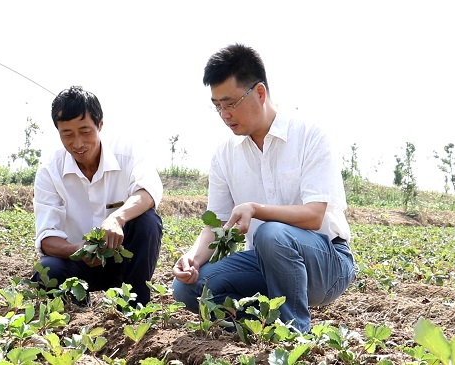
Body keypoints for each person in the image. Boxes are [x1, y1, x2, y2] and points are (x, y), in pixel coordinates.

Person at [172, 44, 356, 333]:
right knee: (189, 289)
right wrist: (192, 259)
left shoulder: (309, 135)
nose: (224, 115)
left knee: (272, 233)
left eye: (230, 103)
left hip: (326, 263)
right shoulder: (224, 153)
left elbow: (314, 216)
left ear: (259, 93)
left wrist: (257, 209)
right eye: (217, 106)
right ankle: (260, 324)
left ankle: (293, 333)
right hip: (263, 262)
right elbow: (217, 223)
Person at [32, 85, 163, 306]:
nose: (78, 143)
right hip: (80, 265)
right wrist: (78, 251)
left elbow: (148, 191)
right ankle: (76, 303)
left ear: (100, 124)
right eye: (67, 134)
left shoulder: (127, 153)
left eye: (85, 131)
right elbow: (47, 239)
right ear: (58, 132)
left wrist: (116, 218)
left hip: (125, 261)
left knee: (147, 221)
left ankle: (136, 306)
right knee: (47, 270)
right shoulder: (49, 171)